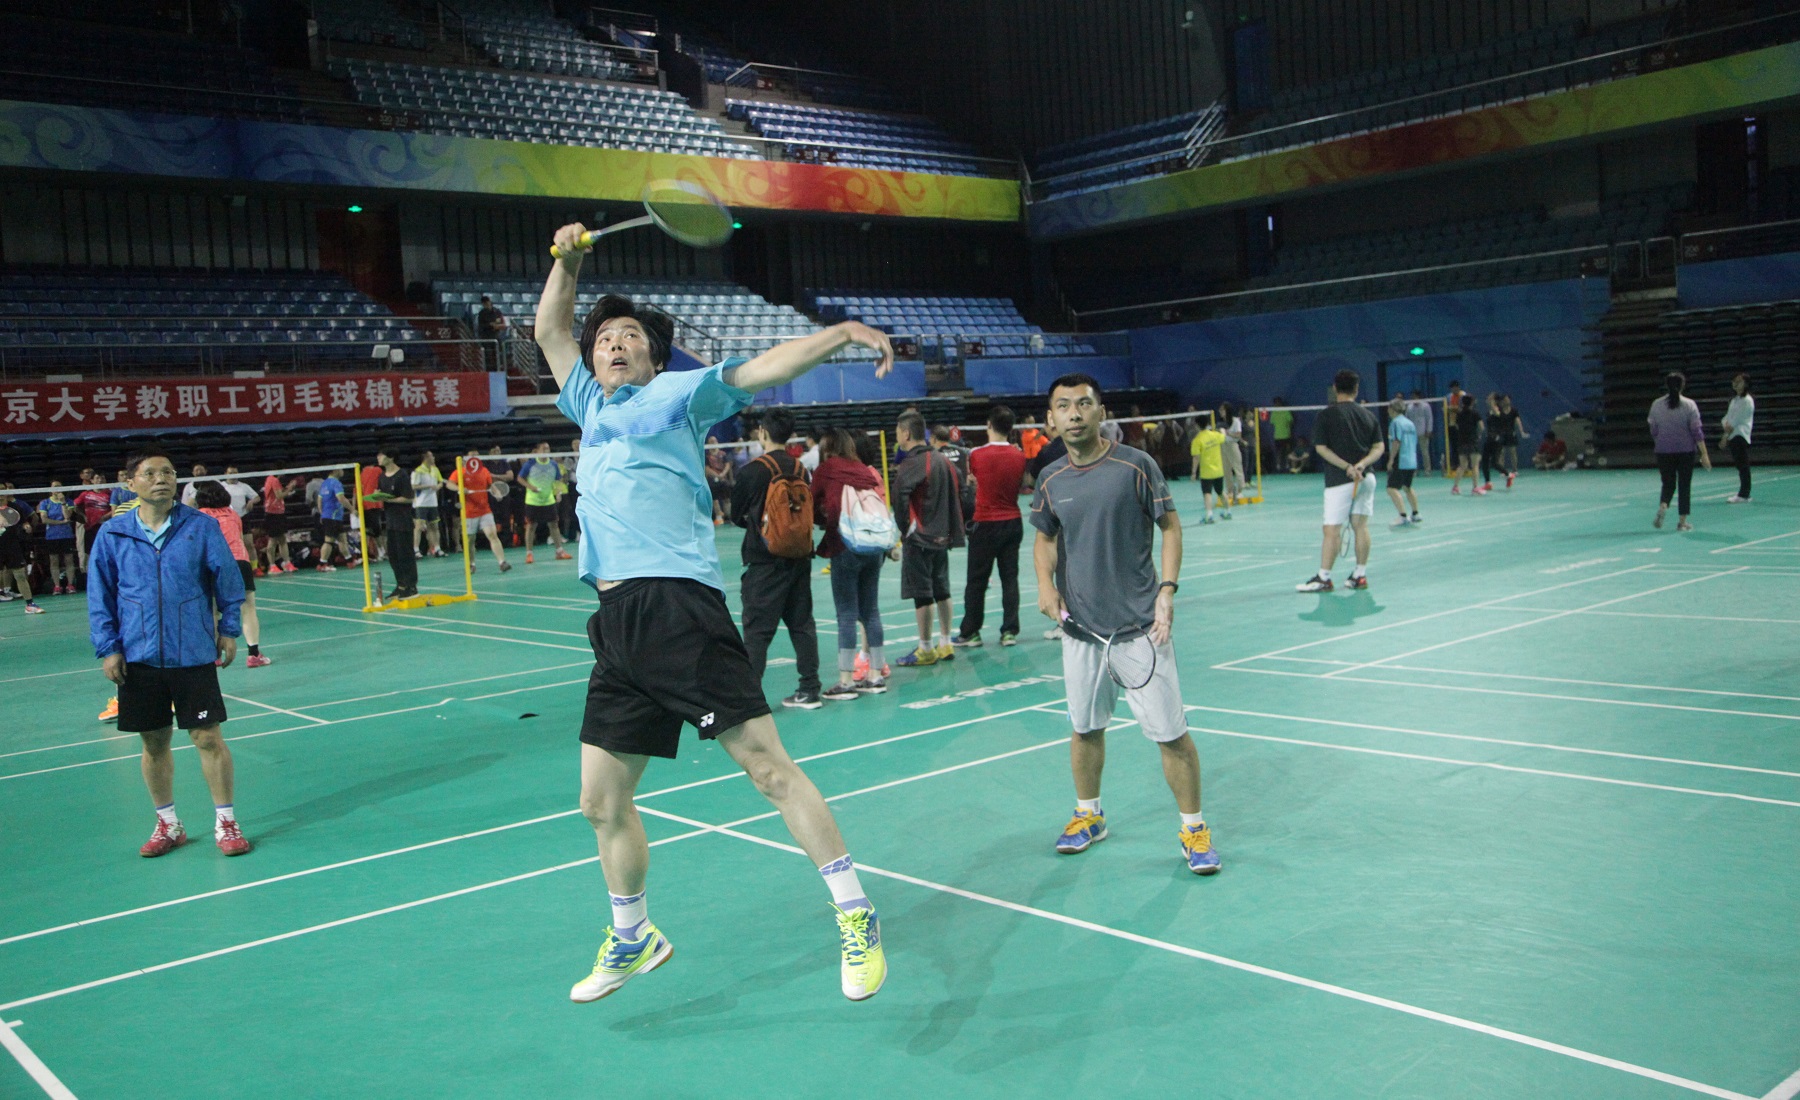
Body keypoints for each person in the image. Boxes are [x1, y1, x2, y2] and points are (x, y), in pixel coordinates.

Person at [535, 222, 894, 1005]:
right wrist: (567, 262)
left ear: (655, 357)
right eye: (606, 339)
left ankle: (855, 913)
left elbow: (763, 367)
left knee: (768, 770)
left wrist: (837, 335)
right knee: (600, 801)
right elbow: (551, 329)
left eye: (630, 337)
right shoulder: (588, 403)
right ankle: (634, 935)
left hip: (679, 606)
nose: (614, 344)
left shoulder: (679, 395)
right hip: (615, 625)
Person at [1030, 373, 1216, 875]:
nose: (1074, 414)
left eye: (1083, 404)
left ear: (1101, 411)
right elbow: (1045, 538)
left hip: (1140, 629)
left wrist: (1168, 589)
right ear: (1051, 419)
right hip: (1081, 630)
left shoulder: (1135, 465)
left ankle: (1193, 828)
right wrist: (1045, 585)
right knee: (1085, 728)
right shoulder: (1050, 478)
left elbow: (1170, 527)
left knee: (1171, 734)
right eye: (1063, 406)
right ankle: (1089, 815)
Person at [87, 450, 250, 858]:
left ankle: (226, 822)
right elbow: (100, 595)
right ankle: (168, 823)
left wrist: (230, 629)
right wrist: (109, 647)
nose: (161, 479)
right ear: (130, 484)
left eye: (168, 472)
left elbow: (228, 579)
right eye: (150, 473)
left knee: (207, 737)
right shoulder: (113, 533)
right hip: (138, 654)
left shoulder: (201, 527)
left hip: (192, 650)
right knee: (154, 741)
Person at [730, 407, 824, 709]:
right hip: (799, 558)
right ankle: (810, 689)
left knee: (757, 632)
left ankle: (750, 700)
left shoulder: (752, 471)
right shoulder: (801, 470)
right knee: (802, 625)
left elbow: (736, 515)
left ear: (763, 433)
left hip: (764, 563)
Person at [811, 428, 891, 699]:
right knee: (871, 611)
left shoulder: (826, 469)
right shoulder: (864, 470)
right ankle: (876, 675)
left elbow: (812, 504)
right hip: (873, 546)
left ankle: (846, 681)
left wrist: (823, 520)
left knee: (846, 614)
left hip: (844, 545)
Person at [1297, 370, 1383, 592]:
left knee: (1332, 530)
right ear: (1356, 389)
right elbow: (1379, 447)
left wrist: (1347, 467)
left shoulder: (1326, 415)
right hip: (1367, 478)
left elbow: (1321, 448)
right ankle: (1359, 576)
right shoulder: (1368, 415)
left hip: (1340, 481)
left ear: (1335, 388)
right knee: (1361, 526)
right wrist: (1362, 464)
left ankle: (1324, 578)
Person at [892, 410, 965, 668]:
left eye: (897, 432)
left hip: (920, 538)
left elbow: (899, 496)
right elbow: (963, 487)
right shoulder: (942, 460)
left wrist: (906, 528)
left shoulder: (913, 463)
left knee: (922, 594)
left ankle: (925, 648)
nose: (897, 436)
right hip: (942, 538)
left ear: (906, 433)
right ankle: (945, 643)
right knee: (942, 589)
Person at [952, 405, 1027, 649]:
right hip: (1012, 522)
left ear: (989, 425)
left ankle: (971, 632)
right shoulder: (1019, 456)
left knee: (976, 581)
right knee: (1010, 579)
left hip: (985, 524)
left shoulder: (976, 454)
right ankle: (1009, 631)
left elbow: (973, 480)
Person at [194, 481, 270, 668]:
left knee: (212, 610)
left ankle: (214, 656)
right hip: (239, 562)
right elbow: (239, 538)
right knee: (248, 608)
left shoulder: (199, 516)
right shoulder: (233, 514)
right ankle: (254, 654)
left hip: (213, 564)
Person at [1649, 371, 1710, 532]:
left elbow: (1653, 429)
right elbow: (1696, 431)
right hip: (1685, 451)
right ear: (1683, 386)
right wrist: (1704, 453)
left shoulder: (1656, 405)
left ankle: (1663, 505)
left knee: (1668, 483)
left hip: (1663, 451)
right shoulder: (1689, 405)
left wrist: (1660, 441)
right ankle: (1682, 522)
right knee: (1684, 485)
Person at [449, 451, 511, 572]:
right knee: (470, 540)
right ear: (466, 459)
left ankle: (502, 562)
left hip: (484, 510)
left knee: (492, 535)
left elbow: (490, 486)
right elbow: (449, 484)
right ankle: (471, 564)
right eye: (471, 455)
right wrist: (459, 488)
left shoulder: (484, 471)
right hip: (469, 513)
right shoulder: (460, 472)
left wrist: (497, 492)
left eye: (476, 455)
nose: (474, 457)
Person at [519, 442, 574, 565]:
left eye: (548, 448)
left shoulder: (553, 464)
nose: (546, 451)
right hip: (533, 501)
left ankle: (559, 552)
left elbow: (557, 480)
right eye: (544, 448)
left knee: (554, 525)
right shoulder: (530, 464)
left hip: (549, 500)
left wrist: (558, 493)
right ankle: (529, 554)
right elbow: (520, 478)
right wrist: (530, 487)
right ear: (537, 451)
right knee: (531, 526)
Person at [374, 449, 418, 601]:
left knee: (405, 555)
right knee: (393, 556)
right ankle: (401, 585)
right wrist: (376, 495)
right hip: (390, 521)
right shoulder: (382, 476)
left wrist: (389, 500)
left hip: (403, 521)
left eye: (381, 455)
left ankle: (411, 587)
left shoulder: (402, 475)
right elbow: (380, 493)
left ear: (391, 457)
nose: (378, 457)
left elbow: (409, 498)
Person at [0, 484, 44, 614]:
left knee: (20, 575)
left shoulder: (15, 507)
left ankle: (30, 605)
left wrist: (26, 526)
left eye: (2, 490)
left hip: (12, 546)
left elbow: (23, 522)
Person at [35, 482, 80, 595]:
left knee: (69, 560)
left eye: (60, 486)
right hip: (52, 536)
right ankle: (57, 586)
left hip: (67, 535)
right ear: (50, 489)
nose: (57, 488)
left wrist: (63, 502)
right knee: (54, 561)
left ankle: (70, 585)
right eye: (55, 486)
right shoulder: (45, 503)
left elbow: (67, 516)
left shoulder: (68, 501)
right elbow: (44, 519)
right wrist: (61, 522)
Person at [1385, 396, 1422, 527]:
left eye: (1389, 408)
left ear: (1393, 409)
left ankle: (1403, 516)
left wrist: (1391, 460)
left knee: (1391, 488)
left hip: (1400, 460)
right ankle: (1416, 514)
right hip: (1411, 460)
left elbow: (1396, 441)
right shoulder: (1410, 423)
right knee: (1407, 487)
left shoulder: (1395, 423)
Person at [1722, 373, 1754, 503]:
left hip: (1740, 435)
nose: (1735, 384)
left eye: (1739, 381)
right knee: (1740, 465)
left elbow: (1735, 421)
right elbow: (1727, 418)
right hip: (1733, 436)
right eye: (1734, 381)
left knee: (1743, 465)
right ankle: (1744, 493)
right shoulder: (1734, 400)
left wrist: (1724, 437)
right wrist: (1725, 427)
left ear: (1746, 384)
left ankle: (1744, 494)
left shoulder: (1747, 401)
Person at [260, 472, 299, 574]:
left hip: (279, 512)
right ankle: (272, 566)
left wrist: (287, 488)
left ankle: (287, 563)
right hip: (272, 514)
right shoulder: (274, 480)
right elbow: (279, 495)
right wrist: (290, 488)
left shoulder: (272, 479)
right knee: (273, 540)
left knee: (282, 539)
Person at [1189, 420, 1227, 523]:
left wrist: (1193, 473)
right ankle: (1228, 512)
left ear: (1197, 426)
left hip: (1206, 472)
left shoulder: (1197, 440)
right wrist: (1223, 431)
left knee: (1207, 493)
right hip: (1218, 470)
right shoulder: (1215, 435)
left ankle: (1209, 515)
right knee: (1220, 491)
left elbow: (1196, 457)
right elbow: (1224, 437)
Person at [316, 467, 353, 570]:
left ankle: (350, 561)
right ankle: (322, 564)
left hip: (331, 516)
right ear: (335, 471)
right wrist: (352, 509)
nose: (342, 471)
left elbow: (319, 500)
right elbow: (341, 498)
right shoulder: (336, 483)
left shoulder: (324, 483)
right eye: (341, 469)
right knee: (329, 541)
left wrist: (322, 513)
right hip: (333, 516)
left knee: (342, 539)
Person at [412, 452, 445, 558]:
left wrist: (438, 486)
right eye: (431, 456)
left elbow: (441, 482)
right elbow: (414, 486)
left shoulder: (435, 469)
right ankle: (416, 550)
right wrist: (429, 486)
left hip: (433, 503)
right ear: (426, 458)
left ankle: (437, 549)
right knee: (419, 527)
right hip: (421, 503)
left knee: (434, 526)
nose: (434, 457)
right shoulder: (418, 471)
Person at [1449, 394, 1480, 494]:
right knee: (1475, 465)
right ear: (1472, 402)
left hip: (1462, 442)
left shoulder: (1459, 414)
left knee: (1462, 465)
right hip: (1473, 442)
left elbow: (1455, 425)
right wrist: (1478, 435)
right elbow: (1481, 426)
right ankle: (1475, 488)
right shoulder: (1475, 413)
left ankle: (1455, 487)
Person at [1218, 402, 1246, 505]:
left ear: (1227, 410)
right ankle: (1229, 491)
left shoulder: (1236, 421)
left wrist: (1227, 432)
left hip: (1232, 445)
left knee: (1237, 468)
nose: (1220, 412)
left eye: (1222, 410)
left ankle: (1240, 491)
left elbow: (1238, 435)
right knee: (1226, 470)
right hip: (1222, 445)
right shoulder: (1220, 423)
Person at [357, 461, 386, 562]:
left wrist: (354, 508)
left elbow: (356, 493)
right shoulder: (377, 470)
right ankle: (381, 552)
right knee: (376, 531)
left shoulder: (359, 474)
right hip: (374, 504)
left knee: (367, 531)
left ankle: (366, 554)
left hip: (363, 505)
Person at [704, 436, 734, 525]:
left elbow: (728, 465)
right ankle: (719, 517)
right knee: (715, 500)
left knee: (727, 499)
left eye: (714, 441)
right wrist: (716, 475)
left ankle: (729, 516)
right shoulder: (707, 456)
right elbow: (706, 469)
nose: (713, 443)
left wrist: (722, 474)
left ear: (717, 442)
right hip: (712, 481)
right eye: (711, 441)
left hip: (723, 479)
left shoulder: (723, 454)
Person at [476, 294, 510, 371]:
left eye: (487, 302)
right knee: (488, 355)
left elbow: (503, 324)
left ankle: (498, 369)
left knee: (497, 354)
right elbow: (481, 326)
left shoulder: (497, 312)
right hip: (486, 337)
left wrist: (497, 326)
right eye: (484, 303)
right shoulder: (482, 313)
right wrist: (490, 325)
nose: (486, 304)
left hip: (496, 336)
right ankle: (489, 370)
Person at [1405, 391, 1434, 473]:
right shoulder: (1409, 407)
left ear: (1419, 397)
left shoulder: (1426, 406)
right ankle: (1414, 470)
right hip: (1412, 434)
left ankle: (1427, 470)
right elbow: (1407, 419)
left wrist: (1429, 430)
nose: (1413, 399)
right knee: (1413, 453)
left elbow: (1429, 418)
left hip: (1423, 433)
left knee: (1425, 452)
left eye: (1415, 397)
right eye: (1412, 397)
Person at [1269, 397, 1294, 472]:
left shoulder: (1286, 411)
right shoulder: (1273, 412)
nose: (1277, 404)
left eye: (1278, 402)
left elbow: (1290, 421)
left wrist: (1288, 429)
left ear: (1280, 403)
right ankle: (1278, 466)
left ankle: (1287, 465)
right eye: (1275, 403)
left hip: (1286, 435)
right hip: (1277, 436)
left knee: (1287, 451)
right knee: (1278, 452)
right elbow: (1272, 422)